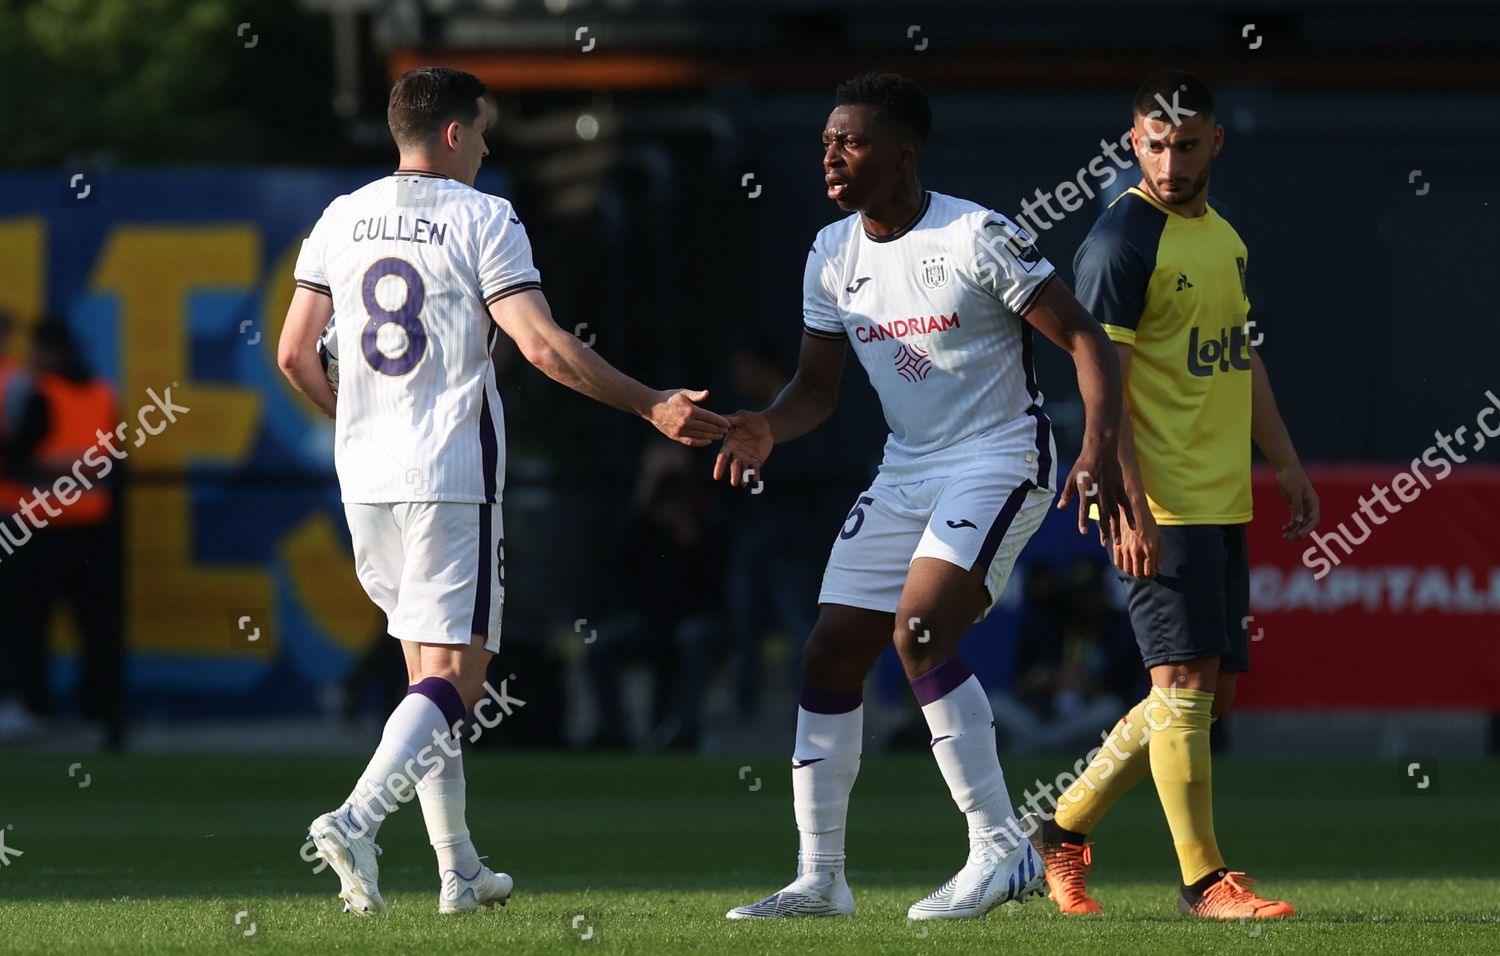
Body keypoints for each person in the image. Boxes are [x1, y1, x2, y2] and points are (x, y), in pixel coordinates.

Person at [277, 66, 727, 917]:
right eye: (481, 131)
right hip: (447, 473)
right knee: (459, 677)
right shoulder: (484, 217)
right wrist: (650, 403)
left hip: (365, 477)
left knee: (425, 674)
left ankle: (459, 871)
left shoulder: (339, 218)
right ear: (452, 133)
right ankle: (356, 818)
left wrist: (357, 421)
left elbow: (295, 356)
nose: (487, 146)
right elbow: (545, 348)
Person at [715, 72, 1131, 921]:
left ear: (904, 153)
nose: (832, 154)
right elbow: (816, 389)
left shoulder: (976, 233)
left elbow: (1084, 336)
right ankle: (822, 878)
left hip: (999, 455)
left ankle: (998, 849)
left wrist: (1100, 446)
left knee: (919, 633)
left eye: (853, 141)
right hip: (907, 468)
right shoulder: (831, 254)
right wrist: (766, 425)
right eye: (827, 140)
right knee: (830, 651)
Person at [1028, 71, 1319, 921]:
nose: (1169, 159)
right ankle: (1205, 883)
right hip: (1163, 501)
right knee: (1185, 687)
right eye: (1154, 143)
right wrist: (1131, 504)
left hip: (1223, 499)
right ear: (1132, 141)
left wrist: (1287, 463)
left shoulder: (1223, 237)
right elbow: (1100, 384)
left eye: (1186, 144)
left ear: (1215, 142)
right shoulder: (1121, 241)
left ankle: (1062, 829)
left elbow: (1242, 357)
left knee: (1202, 696)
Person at [4, 321, 125, 749]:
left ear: (52, 353)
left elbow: (15, 462)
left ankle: (33, 713)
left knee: (27, 628)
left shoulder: (38, 394)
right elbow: (113, 467)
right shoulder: (102, 394)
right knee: (99, 633)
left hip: (40, 530)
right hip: (93, 531)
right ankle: (104, 722)